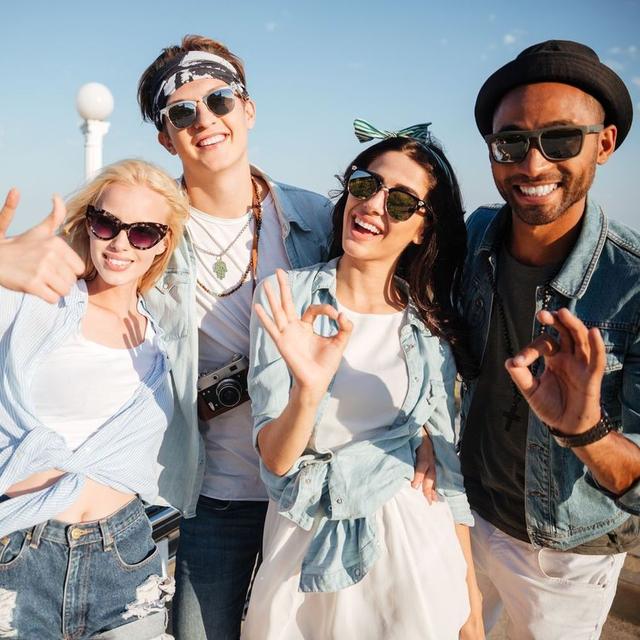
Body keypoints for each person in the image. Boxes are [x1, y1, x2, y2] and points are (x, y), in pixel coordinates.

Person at [242, 121, 484, 640]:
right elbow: (276, 459)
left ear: (422, 229)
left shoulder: (429, 329)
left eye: (401, 201)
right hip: (303, 549)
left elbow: (447, 473)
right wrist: (308, 391)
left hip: (414, 554)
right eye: (365, 184)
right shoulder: (285, 298)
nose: (374, 205)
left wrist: (472, 600)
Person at [135, 35, 335, 640]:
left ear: (247, 109)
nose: (205, 120)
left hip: (312, 488)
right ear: (166, 137)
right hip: (214, 494)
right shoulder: (144, 230)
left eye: (220, 100)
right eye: (182, 113)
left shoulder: (318, 218)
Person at [459, 40, 640, 639]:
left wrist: (584, 431)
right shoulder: (475, 236)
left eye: (560, 140)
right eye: (511, 142)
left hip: (565, 557)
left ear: (604, 144)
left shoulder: (633, 286)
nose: (532, 165)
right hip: (465, 514)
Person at [0, 159, 189, 639]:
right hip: (21, 548)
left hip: (124, 555)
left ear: (163, 242)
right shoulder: (36, 301)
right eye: (106, 223)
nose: (120, 243)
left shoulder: (166, 338)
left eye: (142, 232)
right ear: (88, 224)